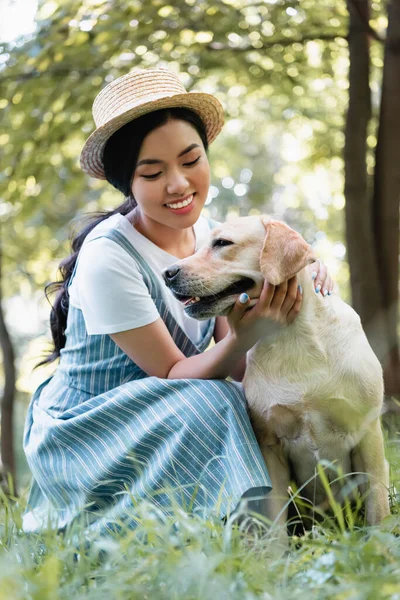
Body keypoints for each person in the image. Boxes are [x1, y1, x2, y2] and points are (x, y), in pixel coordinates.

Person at [23, 68, 333, 535]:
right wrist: (241, 341)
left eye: (191, 160)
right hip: (93, 428)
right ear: (127, 182)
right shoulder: (110, 254)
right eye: (153, 172)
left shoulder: (210, 238)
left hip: (180, 400)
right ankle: (258, 531)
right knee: (215, 402)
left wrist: (297, 275)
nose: (179, 184)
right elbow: (172, 374)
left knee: (248, 395)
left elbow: (239, 360)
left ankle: (316, 507)